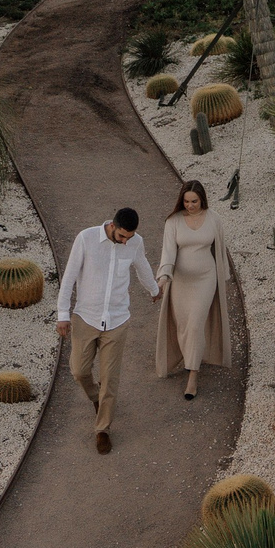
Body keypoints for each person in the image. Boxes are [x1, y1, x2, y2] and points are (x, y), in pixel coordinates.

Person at [55, 206, 156, 454]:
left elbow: (142, 266)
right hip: (85, 318)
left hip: (117, 320)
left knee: (110, 379)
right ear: (112, 225)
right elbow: (68, 278)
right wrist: (63, 315)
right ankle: (95, 397)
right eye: (122, 236)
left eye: (129, 238)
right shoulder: (86, 238)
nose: (125, 242)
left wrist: (154, 290)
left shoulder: (135, 242)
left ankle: (102, 429)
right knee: (79, 371)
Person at [154, 179, 231, 400]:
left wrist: (222, 277)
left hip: (206, 278)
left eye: (194, 201)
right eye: (186, 201)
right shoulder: (174, 221)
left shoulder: (214, 218)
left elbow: (220, 249)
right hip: (180, 281)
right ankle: (189, 359)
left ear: (202, 199)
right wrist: (162, 279)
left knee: (196, 323)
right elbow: (167, 253)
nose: (190, 205)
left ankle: (193, 377)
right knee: (184, 325)